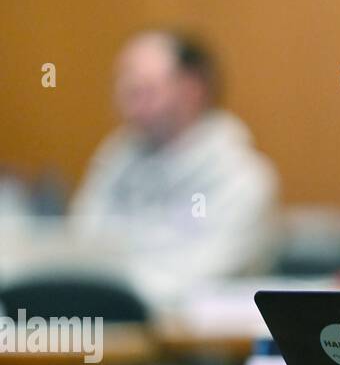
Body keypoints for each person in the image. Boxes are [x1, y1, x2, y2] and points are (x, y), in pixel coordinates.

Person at [69, 30, 278, 284]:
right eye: (122, 90)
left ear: (191, 90)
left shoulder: (242, 177)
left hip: (199, 321)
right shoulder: (116, 158)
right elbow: (80, 246)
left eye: (143, 91)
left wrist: (121, 276)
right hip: (111, 313)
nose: (128, 107)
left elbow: (205, 272)